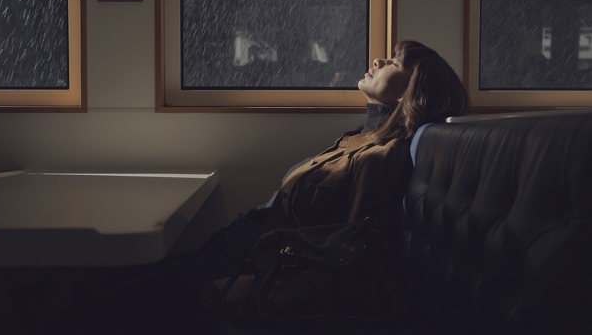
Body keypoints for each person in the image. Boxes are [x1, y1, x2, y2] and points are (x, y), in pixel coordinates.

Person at [57, 40, 468, 334]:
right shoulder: (363, 139)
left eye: (395, 60)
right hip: (242, 243)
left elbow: (350, 247)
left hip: (256, 261)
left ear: (412, 88)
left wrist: (253, 283)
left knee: (99, 305)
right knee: (94, 287)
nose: (379, 59)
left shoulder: (383, 158)